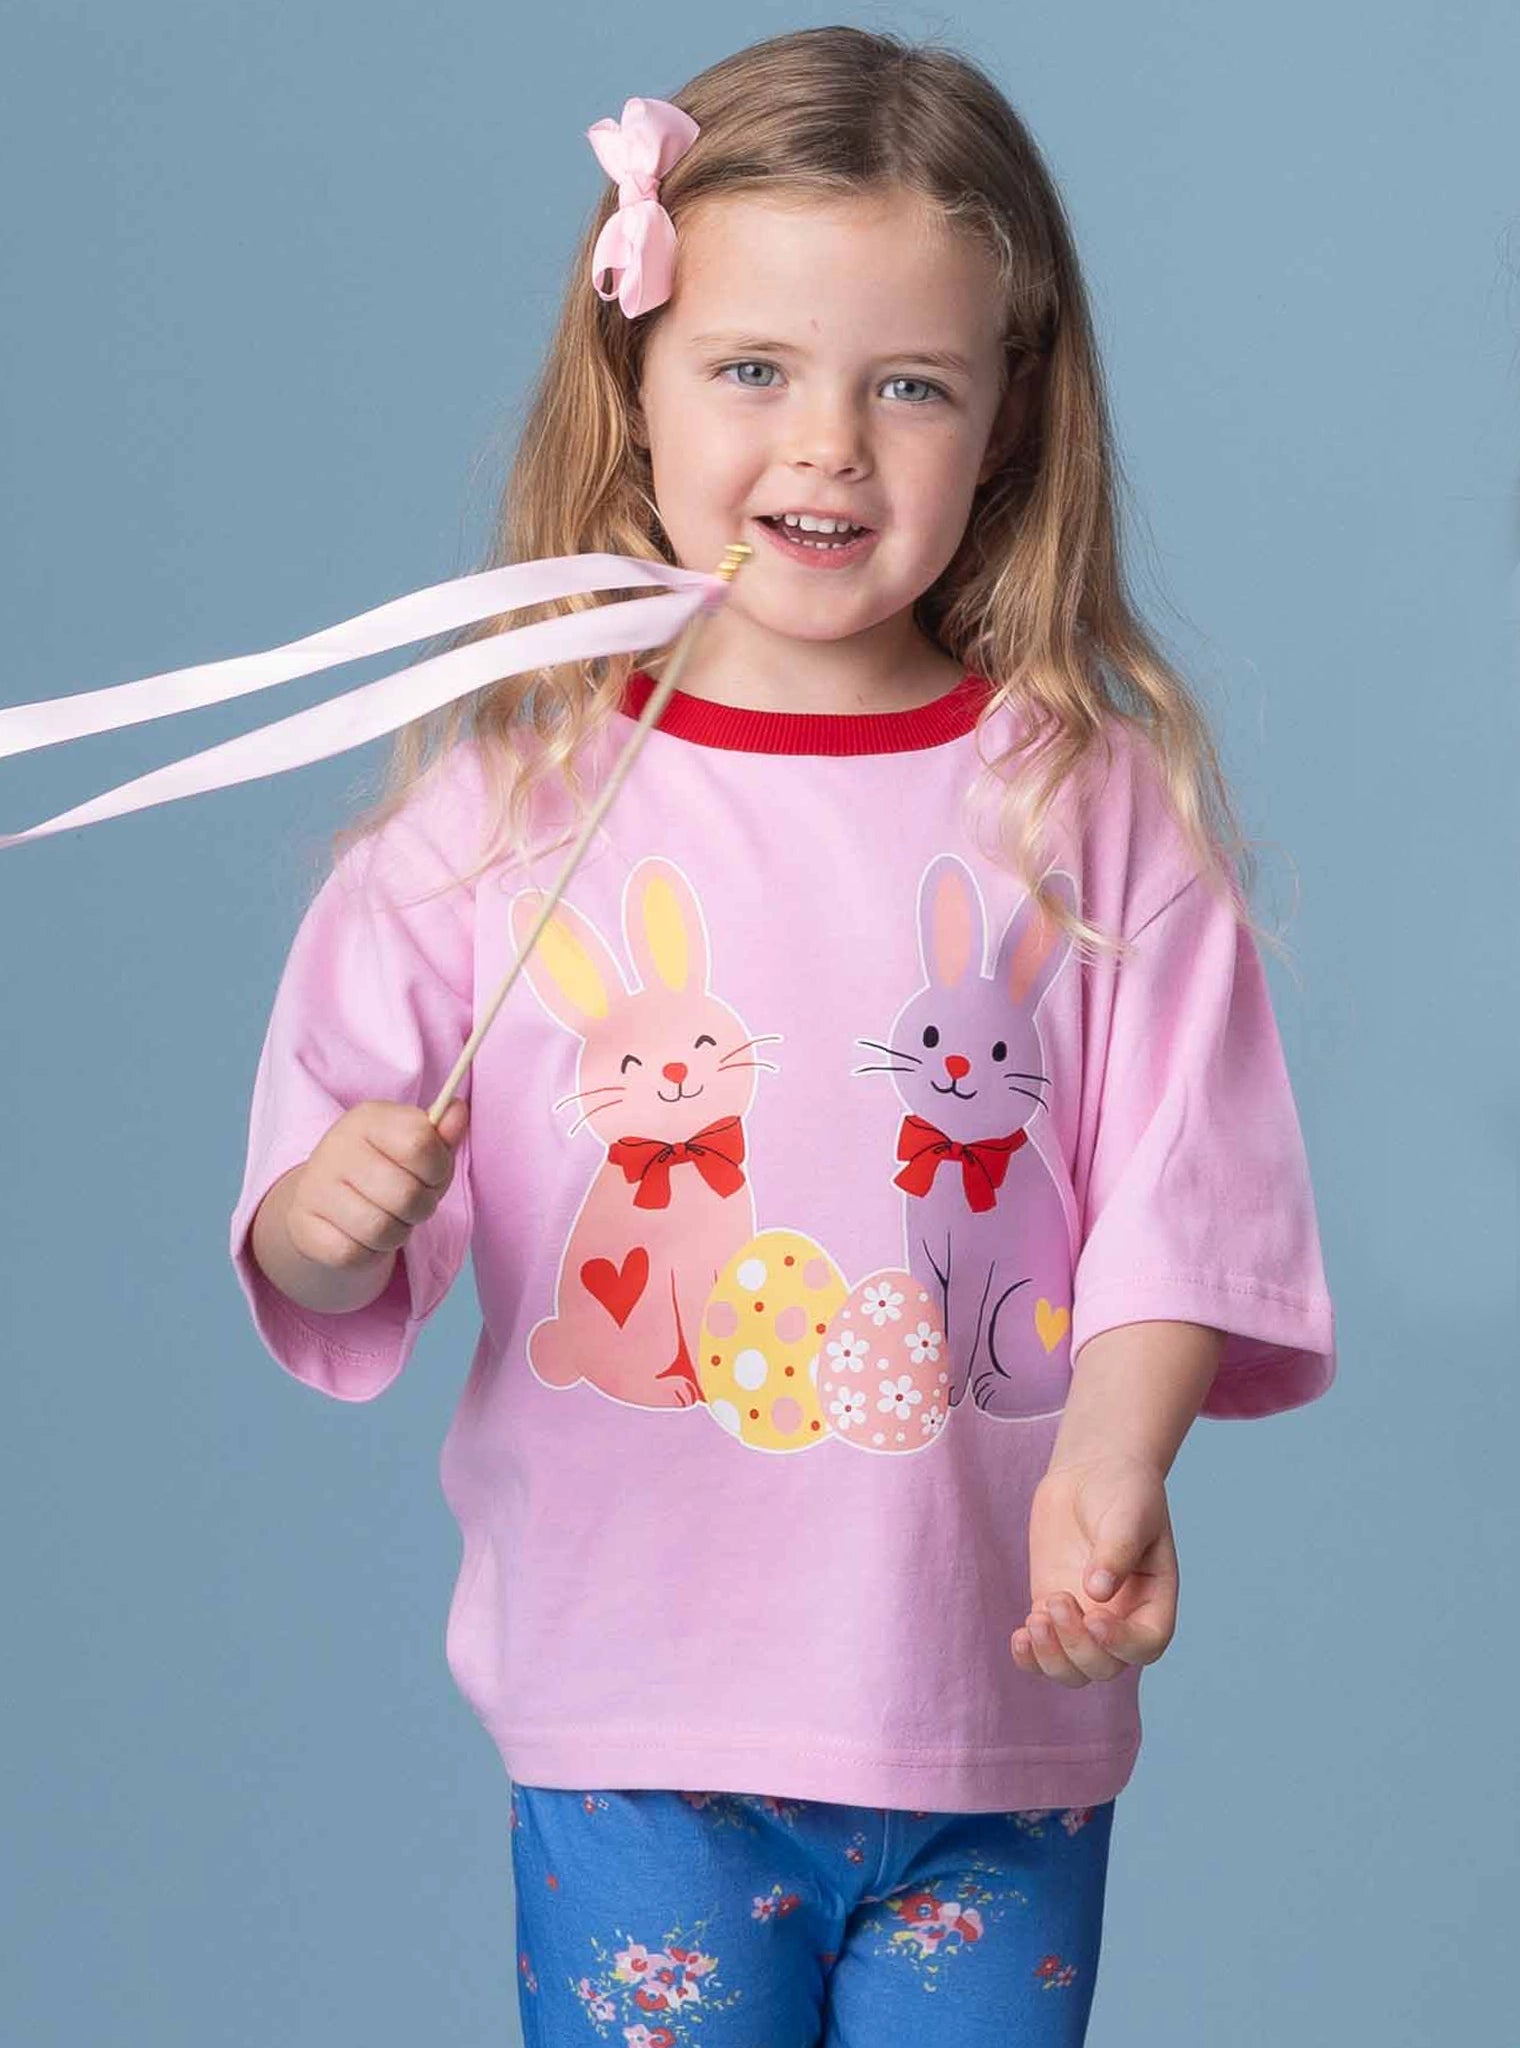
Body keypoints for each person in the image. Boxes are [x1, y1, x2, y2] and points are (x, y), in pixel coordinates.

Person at [230, 26, 1336, 2046]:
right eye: (753, 369)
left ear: (1005, 421)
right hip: (639, 1712)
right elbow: (310, 1233)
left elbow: (1189, 1184)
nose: (826, 445)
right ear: (632, 377)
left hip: (993, 1704)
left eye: (907, 385)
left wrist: (1116, 1449)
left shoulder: (1082, 805)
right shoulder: (506, 812)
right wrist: (333, 1205)